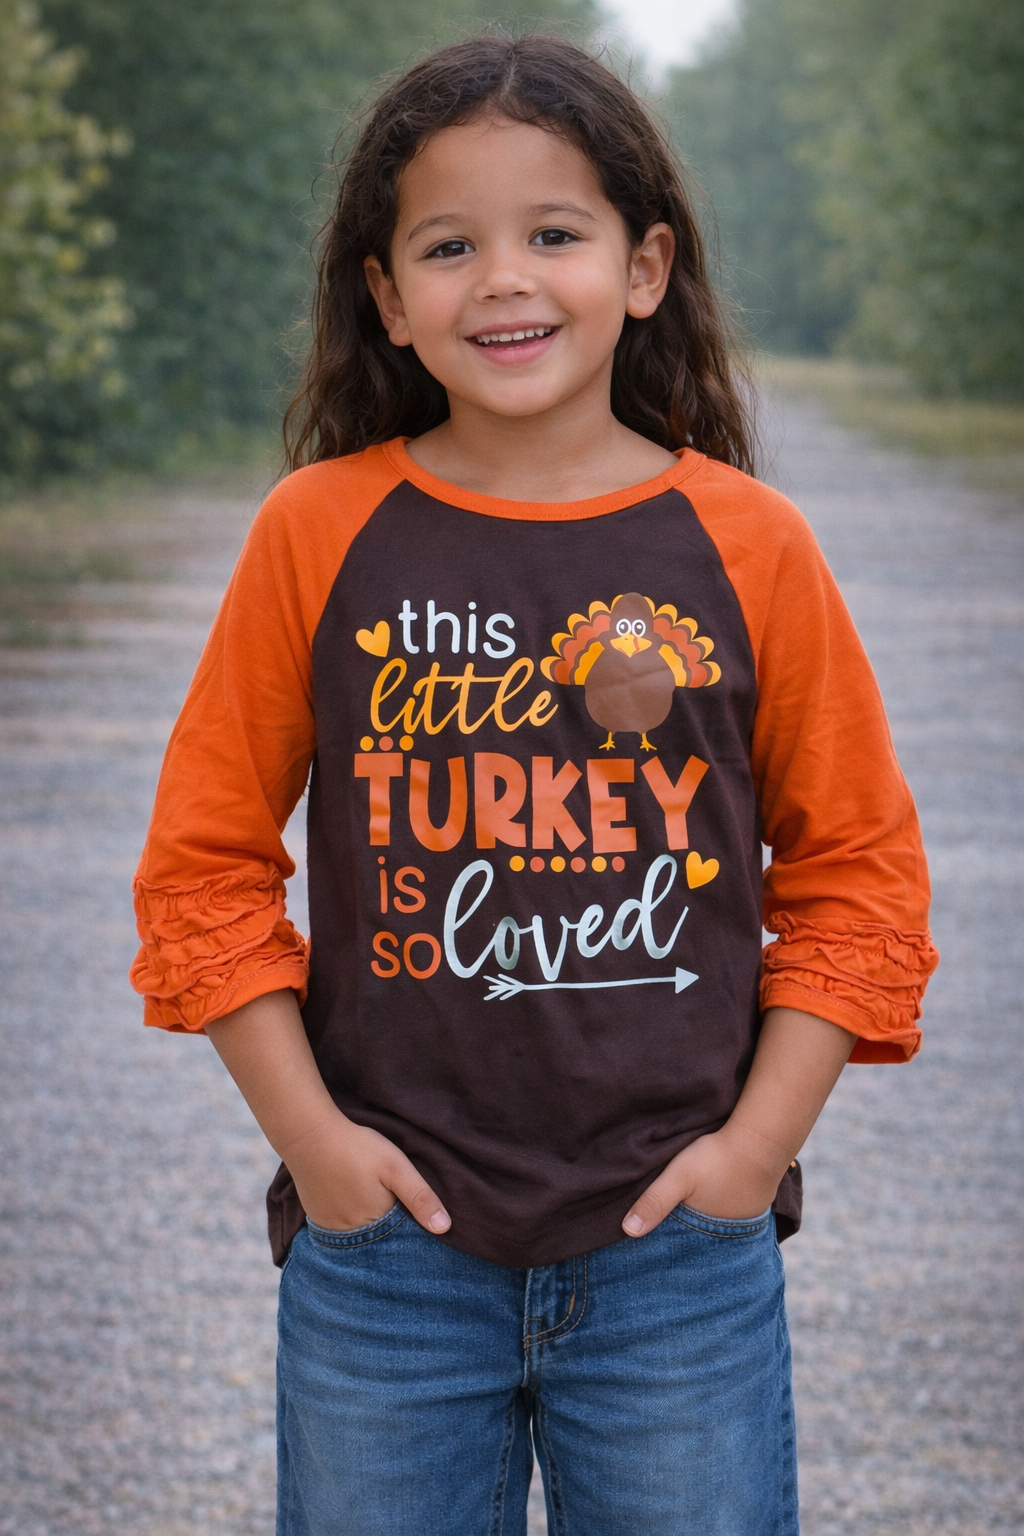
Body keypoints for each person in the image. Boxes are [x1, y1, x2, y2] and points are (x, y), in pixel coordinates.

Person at [130, 33, 938, 1536]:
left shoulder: (751, 545)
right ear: (387, 294)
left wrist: (748, 1157)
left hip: (674, 1267)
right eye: (450, 246)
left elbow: (858, 878)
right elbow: (202, 868)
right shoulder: (318, 533)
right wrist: (320, 1153)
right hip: (388, 1267)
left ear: (643, 268)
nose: (502, 279)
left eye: (552, 235)